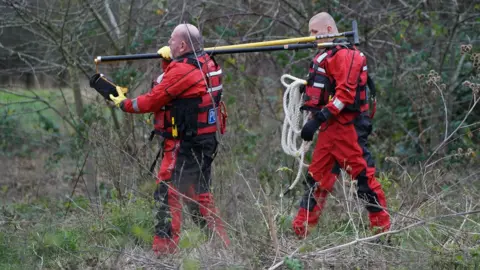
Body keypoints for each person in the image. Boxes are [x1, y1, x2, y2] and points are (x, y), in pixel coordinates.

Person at [91, 23, 229, 254]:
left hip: (185, 143)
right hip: (205, 140)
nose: (168, 43)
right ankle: (221, 246)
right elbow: (177, 86)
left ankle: (164, 250)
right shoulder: (207, 62)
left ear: (183, 44)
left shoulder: (184, 70)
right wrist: (170, 62)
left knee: (167, 192)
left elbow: (153, 100)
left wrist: (121, 102)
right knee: (199, 193)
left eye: (172, 40)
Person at [291, 12, 391, 238]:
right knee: (316, 179)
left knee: (364, 179)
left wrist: (317, 120)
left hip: (347, 129)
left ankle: (382, 232)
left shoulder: (344, 55)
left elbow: (344, 95)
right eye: (310, 33)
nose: (312, 37)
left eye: (315, 32)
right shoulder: (326, 55)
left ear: (328, 30)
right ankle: (300, 233)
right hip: (330, 130)